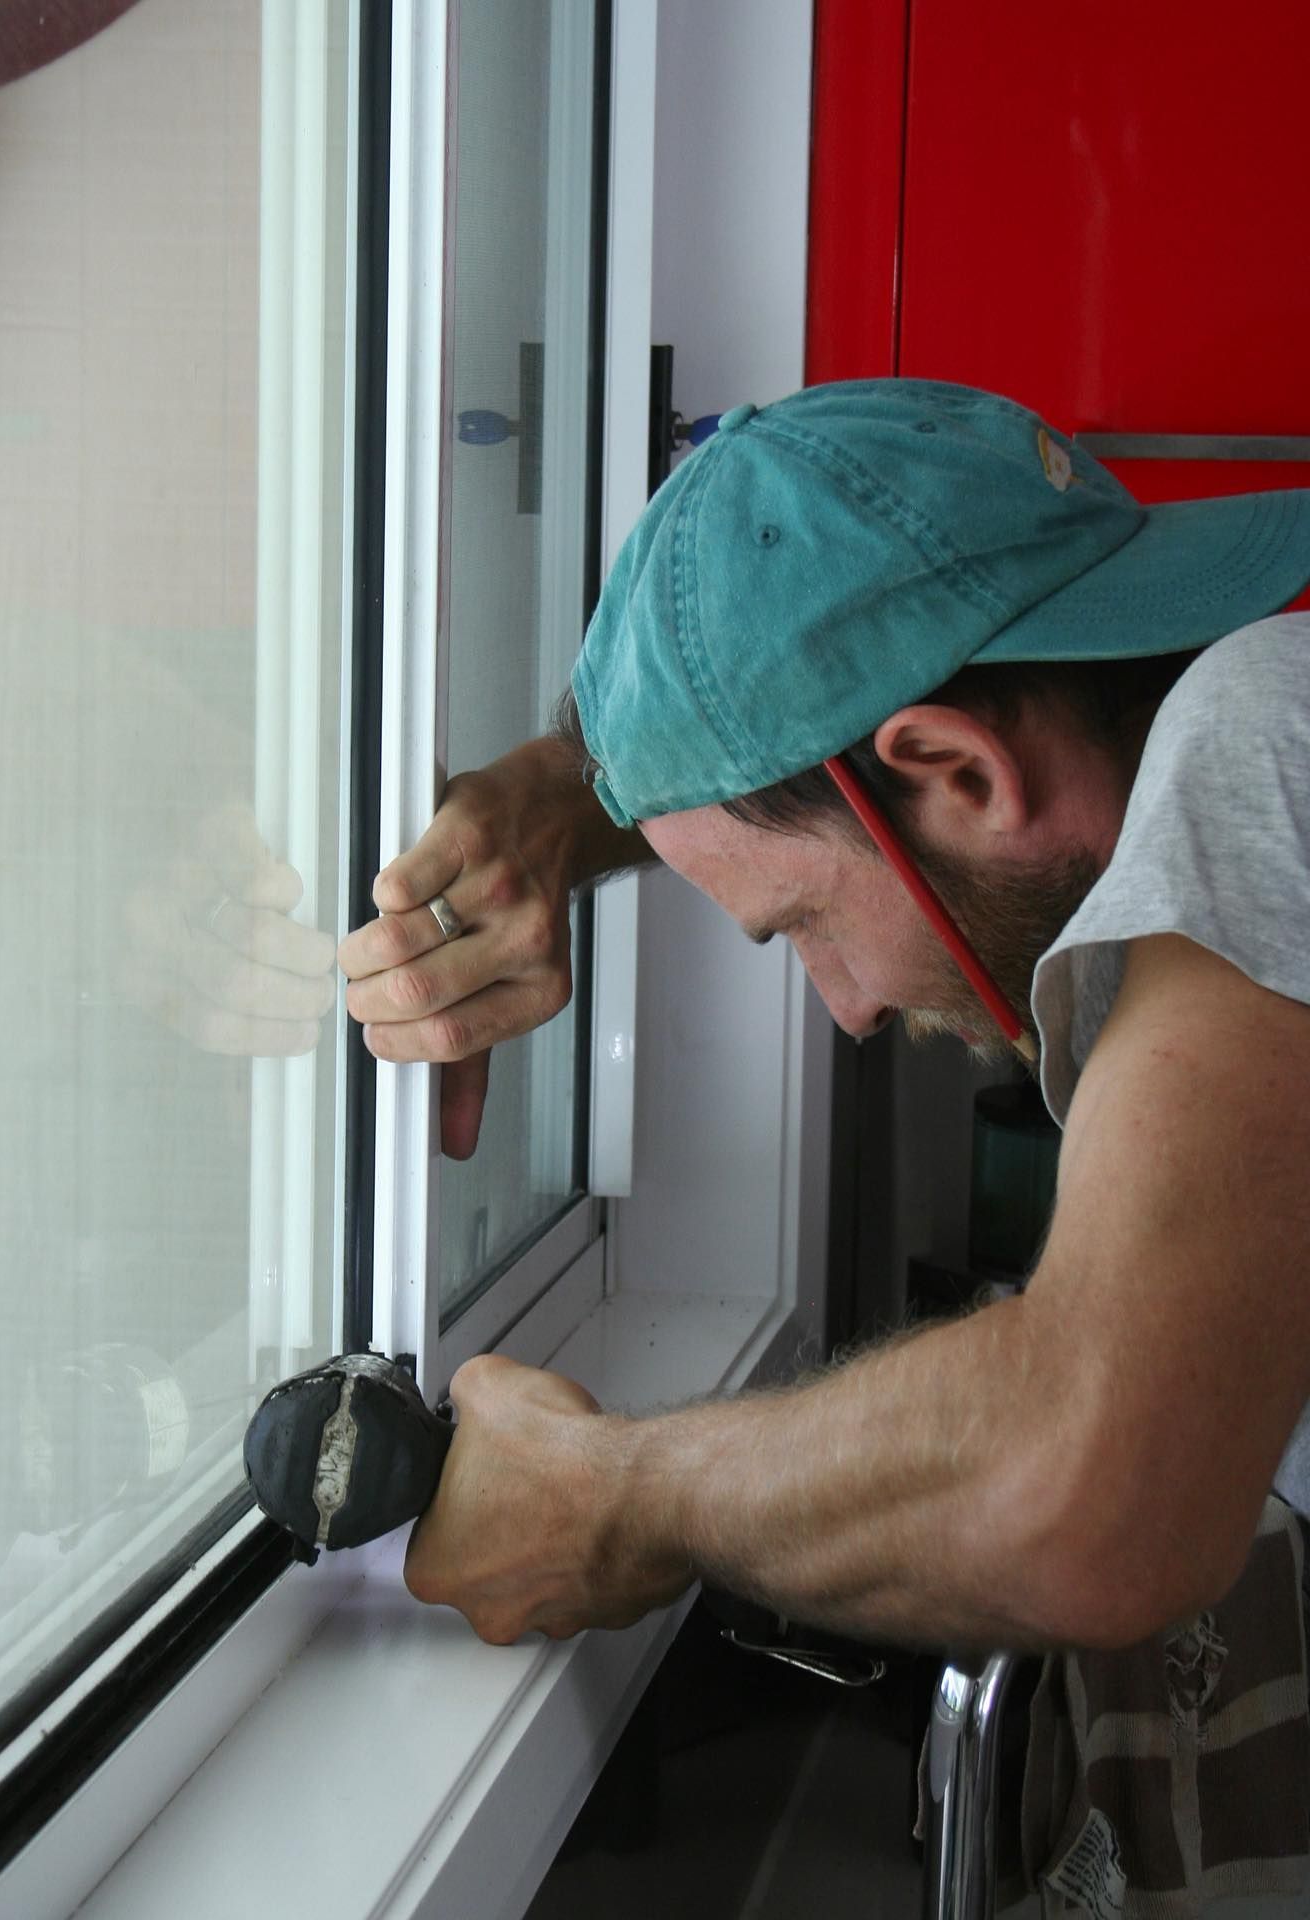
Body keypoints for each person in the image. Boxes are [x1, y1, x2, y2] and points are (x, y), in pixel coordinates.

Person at [338, 378, 1310, 1655]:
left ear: (959, 770)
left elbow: (1093, 1494)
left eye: (799, 927)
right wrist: (570, 804)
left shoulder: (1263, 734)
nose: (846, 1008)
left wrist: (613, 1498)